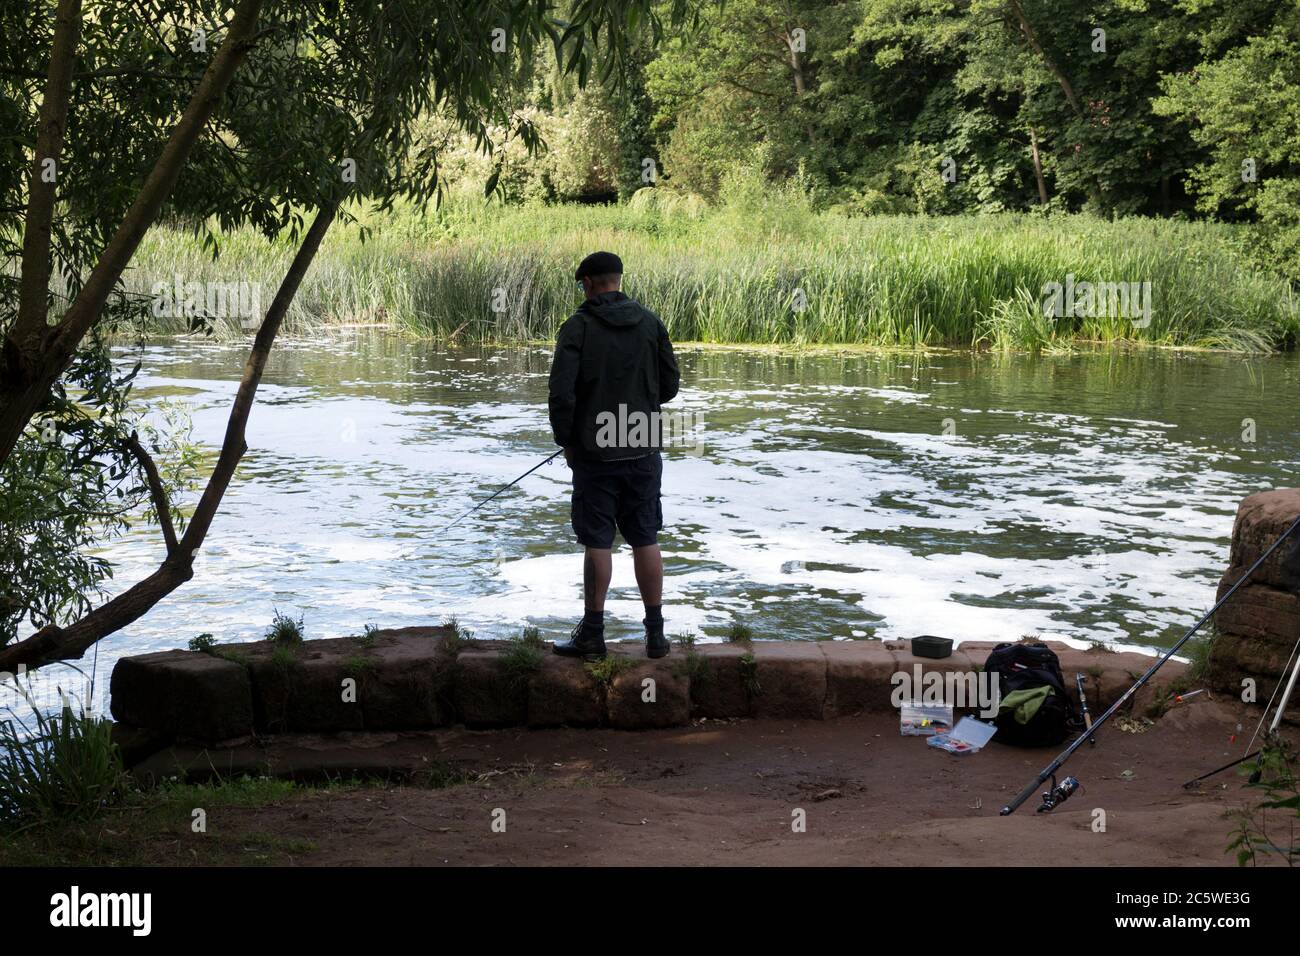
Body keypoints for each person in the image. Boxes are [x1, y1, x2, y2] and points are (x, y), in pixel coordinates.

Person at [547, 251, 680, 660]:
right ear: (618, 280)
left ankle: (593, 635)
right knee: (645, 536)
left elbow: (561, 394)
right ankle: (655, 635)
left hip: (594, 452)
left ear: (587, 283)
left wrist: (567, 441)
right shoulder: (651, 322)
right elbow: (671, 385)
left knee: (598, 541)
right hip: (642, 444)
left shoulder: (578, 327)